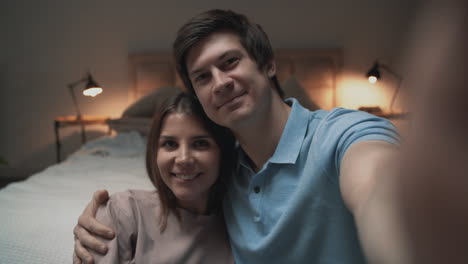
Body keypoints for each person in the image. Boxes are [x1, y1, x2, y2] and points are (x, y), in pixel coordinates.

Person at [74, 9, 402, 264]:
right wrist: (109, 216)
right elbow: (175, 200)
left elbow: (378, 187)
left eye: (230, 62)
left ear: (268, 64)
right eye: (202, 77)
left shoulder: (340, 134)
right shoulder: (222, 174)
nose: (220, 83)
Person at [83, 92, 235, 263]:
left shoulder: (242, 222)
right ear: (155, 152)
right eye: (170, 144)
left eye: (200, 143)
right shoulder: (123, 213)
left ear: (223, 152)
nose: (183, 158)